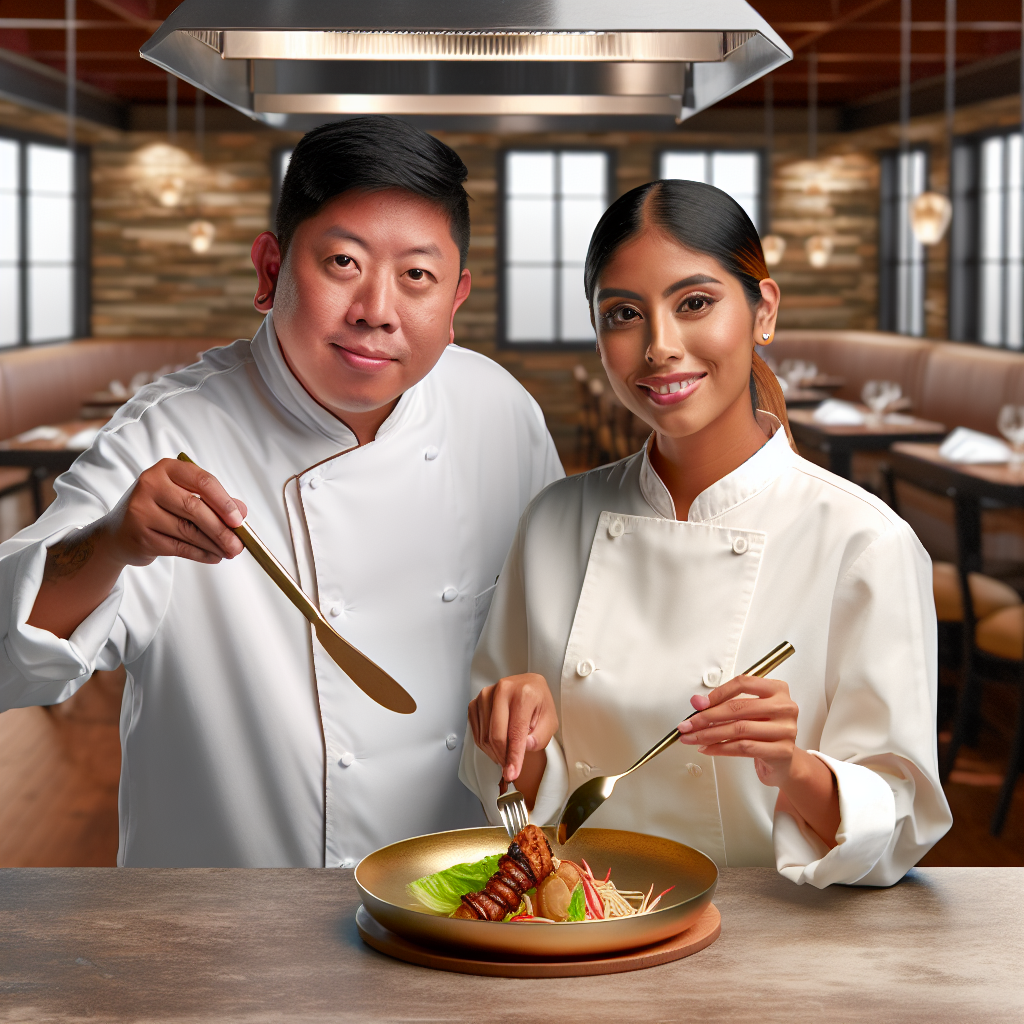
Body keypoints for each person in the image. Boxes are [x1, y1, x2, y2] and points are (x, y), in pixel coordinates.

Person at [0, 116, 562, 867]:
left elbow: (557, 623)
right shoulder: (168, 433)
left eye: (416, 276)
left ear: (455, 299)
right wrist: (110, 545)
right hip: (225, 910)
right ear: (270, 270)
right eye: (342, 262)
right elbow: (8, 659)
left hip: (457, 893)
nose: (376, 309)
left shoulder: (499, 408)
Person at [461, 179, 951, 887]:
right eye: (624, 314)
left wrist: (792, 767)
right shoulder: (552, 522)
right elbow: (514, 803)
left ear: (764, 311)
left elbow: (899, 828)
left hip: (774, 934)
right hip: (581, 922)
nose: (660, 347)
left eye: (694, 303)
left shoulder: (864, 542)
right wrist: (516, 741)